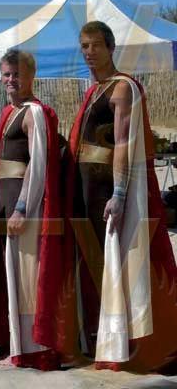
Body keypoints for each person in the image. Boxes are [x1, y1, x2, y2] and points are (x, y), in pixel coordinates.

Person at [63, 21, 177, 372]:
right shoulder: (93, 91)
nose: (89, 52)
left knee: (116, 265)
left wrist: (120, 192)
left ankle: (127, 345)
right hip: (84, 189)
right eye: (84, 46)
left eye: (96, 45)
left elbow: (124, 143)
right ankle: (105, 339)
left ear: (111, 48)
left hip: (104, 190)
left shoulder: (121, 87)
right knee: (96, 267)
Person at [0, 50, 63, 370]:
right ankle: (16, 343)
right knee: (11, 276)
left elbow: (37, 163)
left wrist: (23, 208)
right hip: (3, 205)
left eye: (16, 74)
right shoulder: (9, 112)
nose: (11, 79)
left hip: (21, 206)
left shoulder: (33, 113)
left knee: (27, 278)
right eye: (6, 74)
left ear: (30, 77)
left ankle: (33, 347)